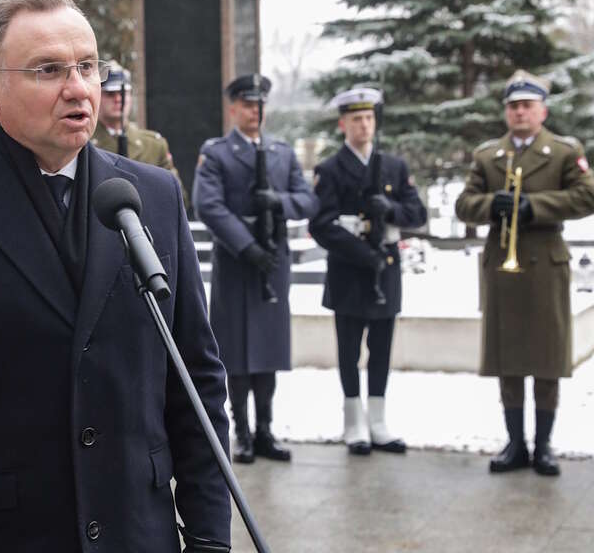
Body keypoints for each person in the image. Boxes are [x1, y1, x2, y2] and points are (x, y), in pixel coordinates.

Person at [0, 0, 231, 553]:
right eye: (48, 70)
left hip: (141, 534)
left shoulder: (153, 196)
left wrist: (210, 538)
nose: (79, 88)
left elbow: (197, 386)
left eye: (87, 66)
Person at [455, 70, 594, 476]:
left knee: (547, 357)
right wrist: (488, 207)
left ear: (542, 111)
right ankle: (515, 443)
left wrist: (536, 206)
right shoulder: (488, 156)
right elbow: (465, 204)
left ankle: (544, 445)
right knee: (509, 356)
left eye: (526, 106)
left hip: (545, 263)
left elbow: (587, 195)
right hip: (503, 263)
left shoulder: (565, 152)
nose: (519, 112)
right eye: (513, 106)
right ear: (506, 113)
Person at [192, 74, 318, 464]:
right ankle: (241, 431)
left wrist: (277, 201)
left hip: (273, 260)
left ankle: (266, 429)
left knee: (269, 350)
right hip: (237, 261)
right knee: (237, 352)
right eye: (247, 105)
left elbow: (307, 200)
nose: (254, 111)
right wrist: (246, 246)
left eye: (259, 105)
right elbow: (208, 206)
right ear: (233, 108)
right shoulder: (217, 153)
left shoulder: (281, 152)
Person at [308, 88, 427, 456]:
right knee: (348, 350)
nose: (363, 125)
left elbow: (417, 214)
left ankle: (378, 420)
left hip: (385, 271)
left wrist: (389, 209)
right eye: (356, 119)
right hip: (350, 270)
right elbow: (321, 224)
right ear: (344, 124)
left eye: (369, 118)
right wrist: (362, 254)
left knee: (380, 348)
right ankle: (353, 420)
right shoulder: (330, 169)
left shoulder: (393, 166)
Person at [92, 62, 189, 206]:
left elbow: (178, 196)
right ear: (97, 96)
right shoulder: (85, 143)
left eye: (123, 93)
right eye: (110, 94)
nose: (118, 99)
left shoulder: (153, 145)